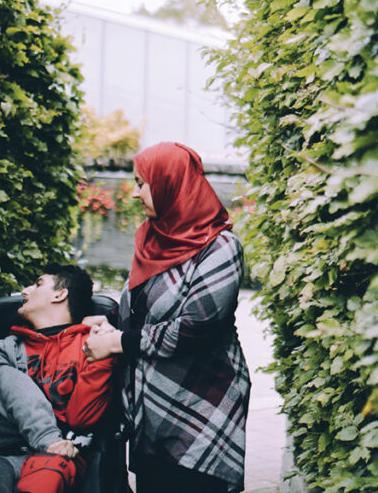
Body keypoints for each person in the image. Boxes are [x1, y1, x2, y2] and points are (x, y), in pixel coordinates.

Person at [82, 141, 250, 493]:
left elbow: (195, 327)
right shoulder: (150, 238)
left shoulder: (220, 247)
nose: (135, 193)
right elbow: (145, 313)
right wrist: (113, 325)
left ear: (170, 184)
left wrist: (116, 343)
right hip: (150, 411)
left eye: (143, 183)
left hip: (201, 405)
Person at [0, 264, 117, 493]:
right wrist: (48, 438)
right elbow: (18, 392)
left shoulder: (89, 345)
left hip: (59, 461)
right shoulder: (3, 350)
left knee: (49, 472)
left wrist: (103, 353)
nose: (24, 291)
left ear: (60, 294)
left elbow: (81, 418)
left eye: (38, 283)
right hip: (1, 453)